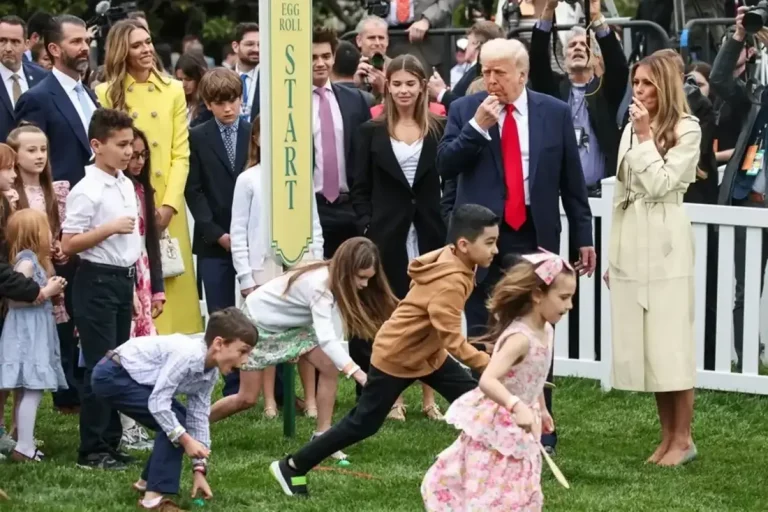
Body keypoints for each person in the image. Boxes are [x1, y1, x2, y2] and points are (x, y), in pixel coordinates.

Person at [269, 204, 497, 497]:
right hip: (396, 357)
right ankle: (292, 466)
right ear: (464, 245)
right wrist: (489, 364)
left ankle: (480, 472)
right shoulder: (451, 281)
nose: (495, 249)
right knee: (363, 423)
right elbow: (453, 339)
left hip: (427, 356)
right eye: (489, 242)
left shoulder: (453, 258)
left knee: (477, 405)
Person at [437, 37, 594, 453]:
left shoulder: (553, 113)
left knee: (536, 332)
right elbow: (445, 164)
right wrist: (477, 130)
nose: (490, 80)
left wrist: (583, 236)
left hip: (533, 235)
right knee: (484, 333)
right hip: (484, 240)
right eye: (484, 71)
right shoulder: (464, 110)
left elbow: (571, 182)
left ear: (522, 74)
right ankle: (485, 428)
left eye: (499, 72)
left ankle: (543, 426)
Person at [212, 237, 397, 460]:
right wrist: (358, 374)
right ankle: (192, 425)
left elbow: (327, 338)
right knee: (246, 398)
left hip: (291, 326)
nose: (365, 285)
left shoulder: (335, 278)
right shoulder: (320, 285)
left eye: (370, 278)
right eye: (362, 278)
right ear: (347, 269)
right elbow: (327, 339)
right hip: (257, 324)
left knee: (328, 367)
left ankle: (322, 437)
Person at [422, 251, 576, 511]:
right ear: (538, 295)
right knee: (492, 489)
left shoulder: (546, 329)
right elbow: (489, 380)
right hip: (499, 423)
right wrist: (516, 405)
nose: (569, 305)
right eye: (563, 297)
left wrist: (541, 407)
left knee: (519, 488)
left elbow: (533, 374)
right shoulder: (520, 338)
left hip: (524, 420)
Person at [605, 53, 700, 466]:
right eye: (636, 83)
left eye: (646, 83)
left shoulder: (688, 128)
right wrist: (614, 255)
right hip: (631, 236)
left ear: (665, 86)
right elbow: (622, 192)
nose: (639, 91)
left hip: (665, 239)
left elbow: (661, 183)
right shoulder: (631, 126)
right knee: (649, 347)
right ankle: (666, 438)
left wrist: (644, 138)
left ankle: (683, 438)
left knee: (670, 342)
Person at [351, 54, 447, 421]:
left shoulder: (438, 128)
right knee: (387, 315)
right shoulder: (370, 131)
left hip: (428, 232)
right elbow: (359, 186)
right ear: (386, 86)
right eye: (397, 83)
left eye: (411, 83)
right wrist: (367, 224)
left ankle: (429, 398)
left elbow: (448, 180)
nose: (404, 90)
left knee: (429, 314)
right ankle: (391, 397)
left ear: (423, 86)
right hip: (385, 235)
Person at [91, 307, 259, 511]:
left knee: (180, 421)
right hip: (112, 375)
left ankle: (146, 482)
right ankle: (152, 501)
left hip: (134, 379)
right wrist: (186, 440)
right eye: (243, 351)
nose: (245, 360)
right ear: (218, 344)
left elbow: (198, 418)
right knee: (174, 423)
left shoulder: (209, 372)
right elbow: (158, 404)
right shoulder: (187, 356)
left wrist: (199, 469)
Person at [97, 19, 201, 336]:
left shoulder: (172, 90)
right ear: (121, 51)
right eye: (137, 45)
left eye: (148, 41)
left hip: (168, 205)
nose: (147, 49)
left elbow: (180, 153)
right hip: (126, 203)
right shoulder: (105, 93)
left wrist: (169, 206)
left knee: (174, 282)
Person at [230, 115, 325, 418]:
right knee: (266, 333)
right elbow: (239, 230)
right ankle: (270, 401)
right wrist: (246, 276)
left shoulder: (299, 175)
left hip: (301, 262)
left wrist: (317, 264)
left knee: (306, 332)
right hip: (263, 264)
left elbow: (313, 223)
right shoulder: (248, 179)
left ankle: (310, 400)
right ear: (256, 139)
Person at [61, 108, 140, 470]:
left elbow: (131, 244)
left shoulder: (124, 182)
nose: (128, 152)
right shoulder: (86, 190)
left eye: (130, 144)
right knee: (98, 367)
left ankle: (110, 441)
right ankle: (91, 448)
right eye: (121, 145)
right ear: (97, 145)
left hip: (122, 281)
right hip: (95, 282)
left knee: (116, 366)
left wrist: (135, 287)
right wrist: (107, 228)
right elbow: (69, 243)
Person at [6, 123, 80, 414]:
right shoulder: (9, 194)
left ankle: (27, 421)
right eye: (31, 150)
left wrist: (59, 248)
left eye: (43, 149)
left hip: (49, 276)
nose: (39, 156)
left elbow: (60, 234)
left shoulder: (57, 191)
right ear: (15, 155)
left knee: (50, 343)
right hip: (19, 277)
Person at [0, 208, 69, 462]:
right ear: (34, 234)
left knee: (30, 389)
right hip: (27, 336)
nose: (51, 235)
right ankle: (25, 446)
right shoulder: (26, 262)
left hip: (36, 333)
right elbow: (15, 300)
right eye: (47, 230)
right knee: (33, 389)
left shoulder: (39, 262)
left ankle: (23, 441)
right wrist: (47, 291)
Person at [185, 68, 249, 317]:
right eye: (219, 103)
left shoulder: (253, 133)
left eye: (232, 101)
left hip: (251, 238)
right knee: (219, 315)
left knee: (258, 313)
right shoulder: (196, 137)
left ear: (240, 98)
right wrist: (216, 233)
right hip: (212, 240)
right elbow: (193, 190)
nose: (228, 109)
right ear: (209, 105)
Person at [14, 15, 97, 186]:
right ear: (54, 49)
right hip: (60, 204)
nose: (85, 48)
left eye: (86, 41)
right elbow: (28, 165)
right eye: (76, 42)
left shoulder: (90, 96)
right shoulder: (35, 99)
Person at [311, 28, 372, 258]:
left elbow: (366, 157)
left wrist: (364, 213)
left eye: (325, 56)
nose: (320, 63)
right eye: (313, 57)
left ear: (334, 57)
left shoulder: (355, 100)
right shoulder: (289, 105)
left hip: (350, 209)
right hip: (310, 210)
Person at [0, 16, 47, 142]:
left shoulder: (42, 78)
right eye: (2, 41)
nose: (8, 48)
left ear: (26, 45)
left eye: (15, 42)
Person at [231, 22, 261, 122]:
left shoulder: (272, 80)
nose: (256, 49)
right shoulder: (220, 77)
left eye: (260, 45)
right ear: (235, 46)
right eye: (250, 44)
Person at [174, 52, 210, 127]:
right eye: (180, 79)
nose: (183, 84)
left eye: (188, 79)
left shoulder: (207, 105)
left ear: (199, 77)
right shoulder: (177, 100)